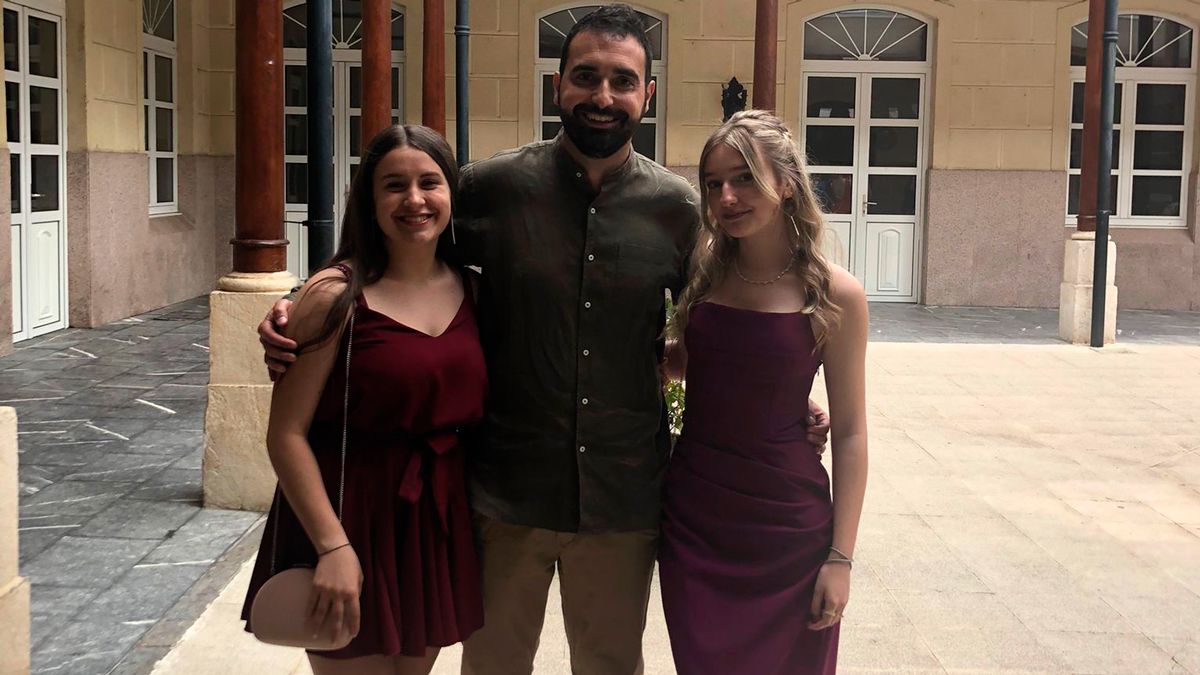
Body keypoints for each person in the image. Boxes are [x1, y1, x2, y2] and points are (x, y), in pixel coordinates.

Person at [258, 6, 830, 673]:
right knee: (495, 664)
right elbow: (400, 245)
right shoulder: (490, 191)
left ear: (647, 94)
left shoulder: (678, 211)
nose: (603, 95)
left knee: (610, 663)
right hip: (505, 494)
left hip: (623, 496)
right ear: (558, 86)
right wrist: (311, 296)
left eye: (622, 80)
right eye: (586, 76)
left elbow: (733, 308)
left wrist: (777, 401)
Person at [241, 125, 485, 675]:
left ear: (451, 193)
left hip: (432, 517)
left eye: (430, 182)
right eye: (394, 185)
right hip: (350, 511)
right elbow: (286, 435)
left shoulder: (473, 289)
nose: (415, 200)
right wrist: (332, 547)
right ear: (369, 200)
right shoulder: (334, 296)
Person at [657, 109, 870, 674]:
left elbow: (850, 433)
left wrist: (841, 559)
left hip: (787, 528)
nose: (728, 196)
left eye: (745, 177)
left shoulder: (835, 294)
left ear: (787, 182)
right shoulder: (702, 273)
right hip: (696, 519)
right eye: (714, 184)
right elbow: (685, 365)